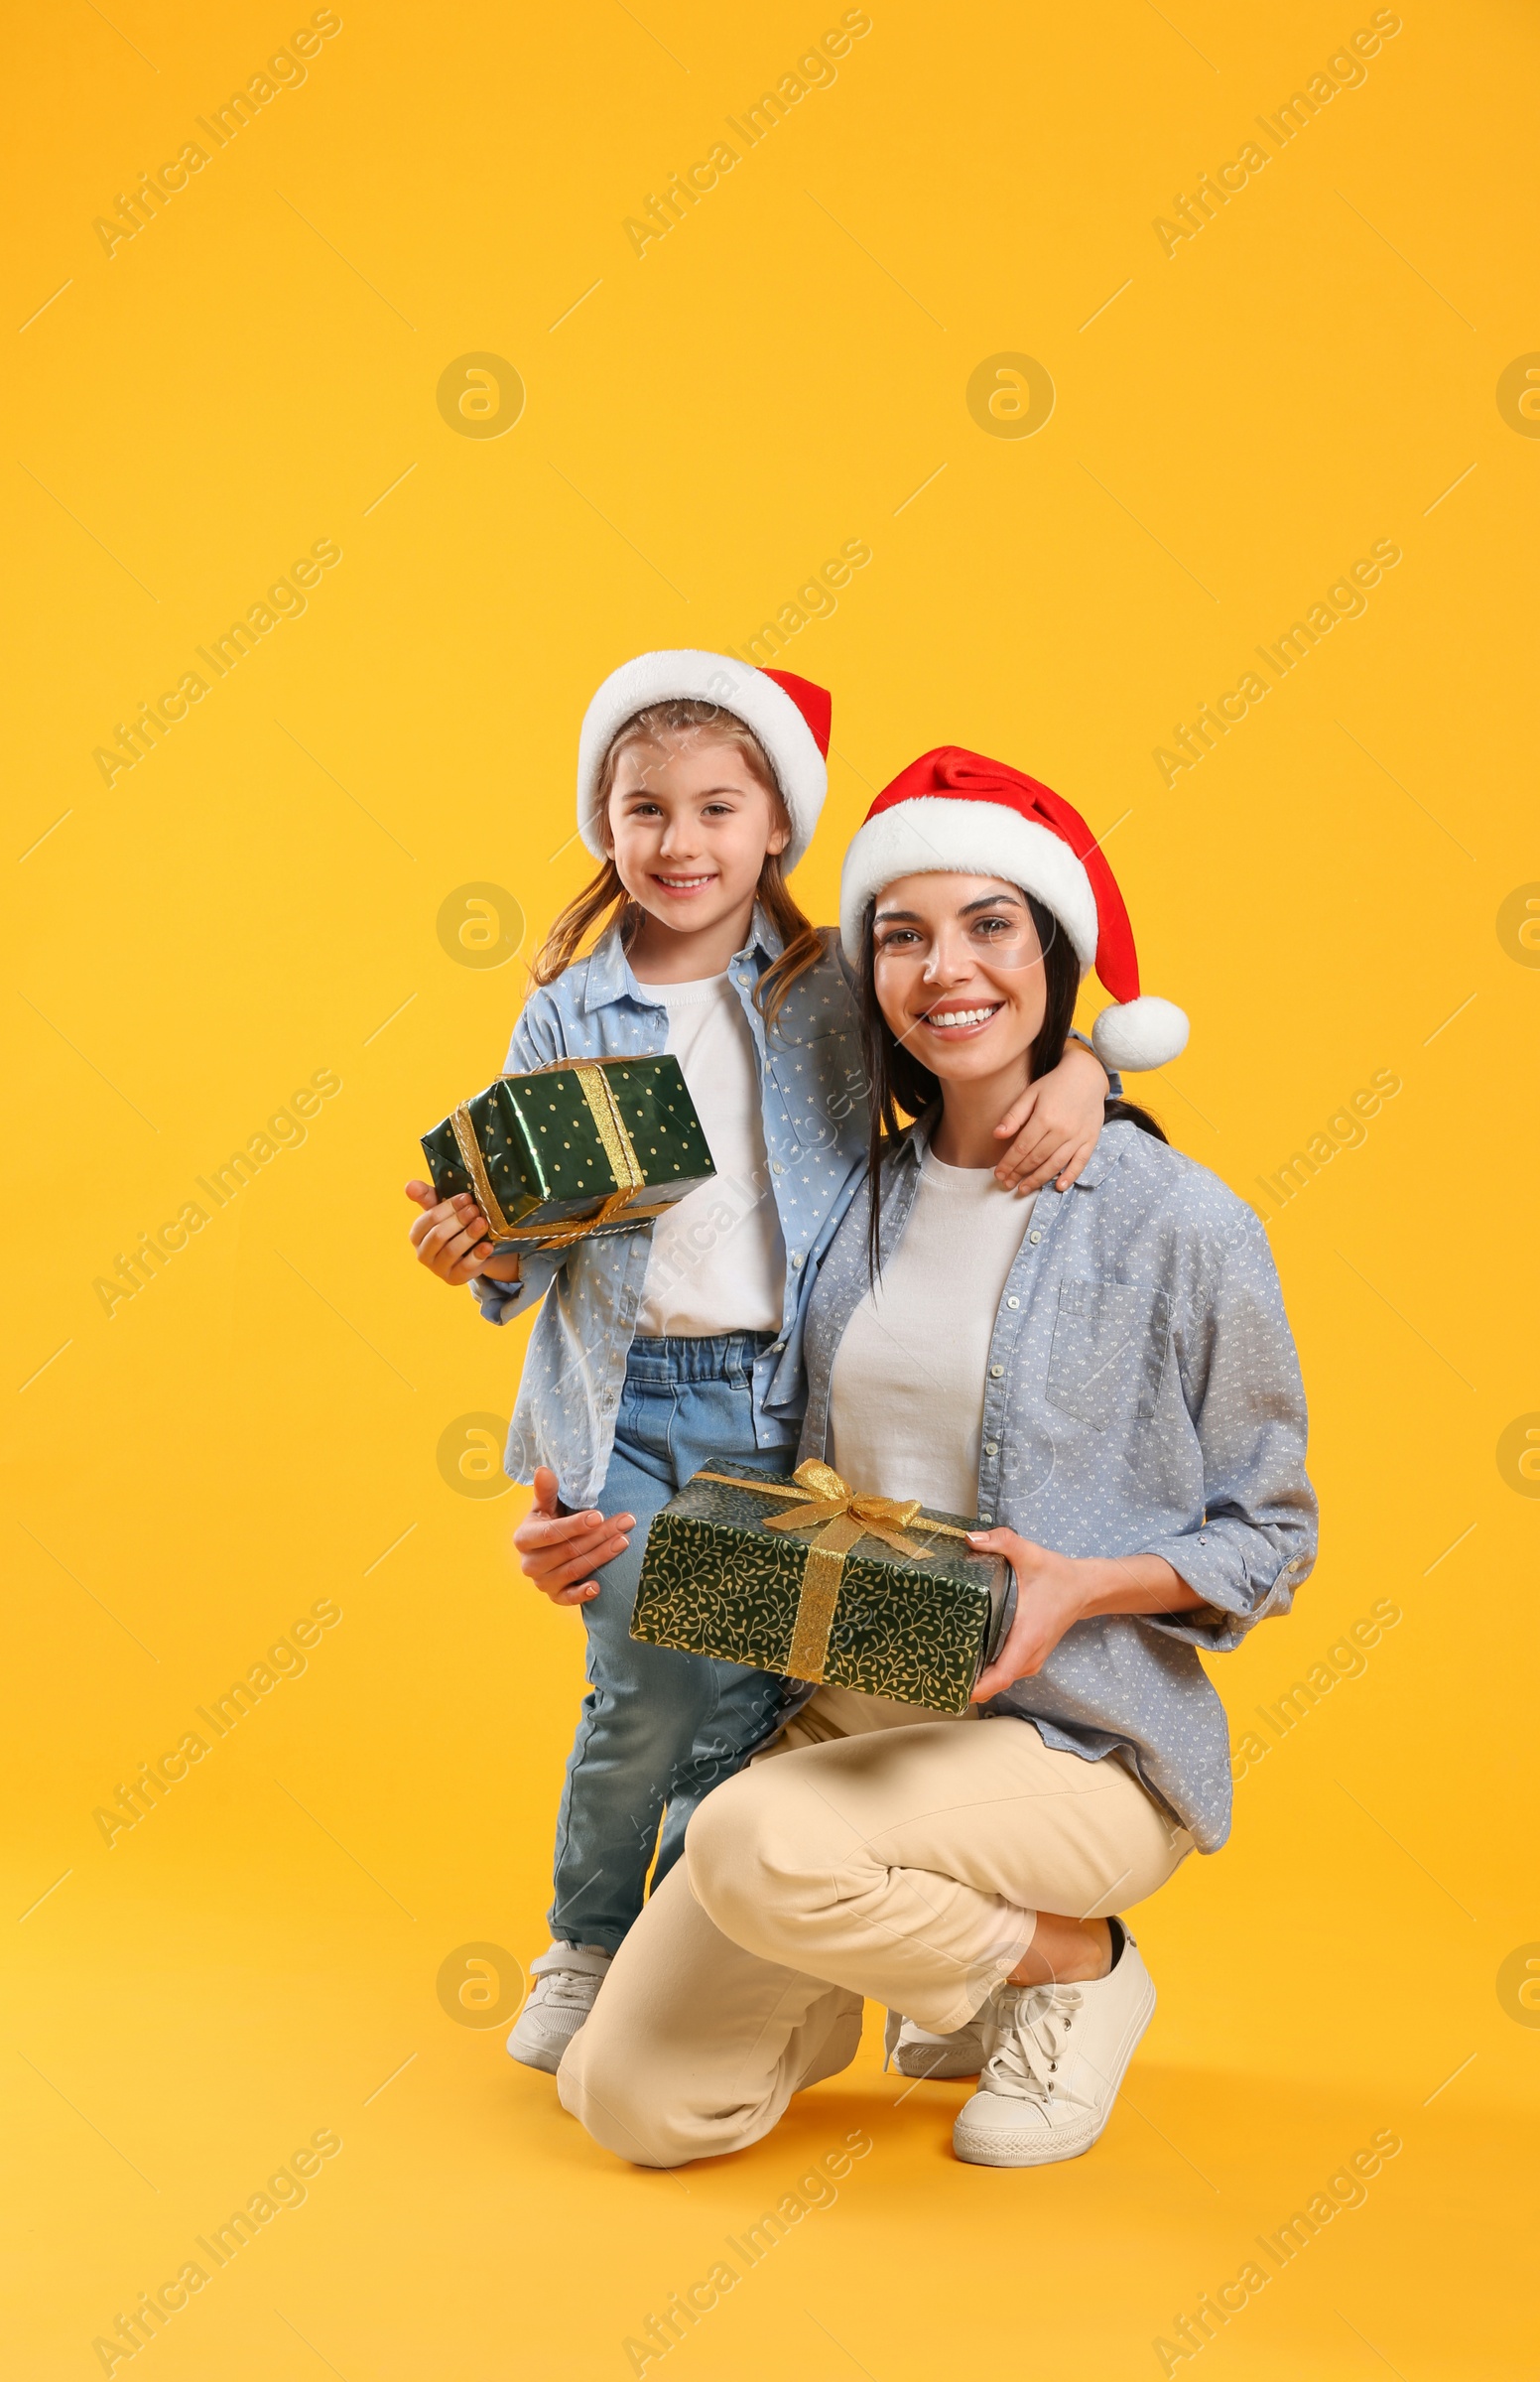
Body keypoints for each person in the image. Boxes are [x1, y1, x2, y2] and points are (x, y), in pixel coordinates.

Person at [558, 745, 1318, 2170]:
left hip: (1070, 1742)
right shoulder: (857, 1196)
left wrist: (1080, 1587)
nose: (943, 966)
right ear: (871, 979)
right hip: (852, 1706)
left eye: (989, 924)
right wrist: (593, 1510)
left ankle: (1075, 1965)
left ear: (1052, 952)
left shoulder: (1180, 1224)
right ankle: (894, 1974)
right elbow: (745, 1423)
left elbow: (1271, 1535)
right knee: (633, 2105)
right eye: (900, 934)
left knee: (750, 1844)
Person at [405, 665, 1112, 2075]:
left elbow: (967, 1046)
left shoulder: (828, 994)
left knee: (763, 1700)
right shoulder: (567, 1012)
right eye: (645, 808)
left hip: (790, 1405)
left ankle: (800, 1964)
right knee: (648, 1692)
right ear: (603, 825)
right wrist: (474, 1253)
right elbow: (533, 1246)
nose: (681, 843)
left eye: (717, 807)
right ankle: (594, 1942)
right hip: (633, 1406)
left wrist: (1082, 1065)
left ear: (778, 822)